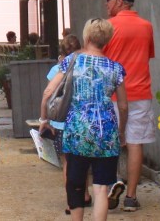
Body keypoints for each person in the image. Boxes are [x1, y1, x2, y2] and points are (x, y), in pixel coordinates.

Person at [39, 18, 127, 221]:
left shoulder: (72, 61)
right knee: (101, 188)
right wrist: (121, 131)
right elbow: (123, 106)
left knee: (76, 184)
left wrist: (44, 118)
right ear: (108, 40)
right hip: (106, 132)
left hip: (77, 131)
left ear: (87, 37)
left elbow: (48, 92)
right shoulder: (116, 68)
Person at [99, 0, 155, 213]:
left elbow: (101, 58)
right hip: (140, 91)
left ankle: (110, 185)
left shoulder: (108, 27)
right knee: (135, 143)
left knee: (109, 142)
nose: (106, 4)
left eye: (109, 0)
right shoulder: (146, 26)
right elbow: (147, 56)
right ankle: (131, 197)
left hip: (112, 93)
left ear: (120, 1)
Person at [41, 34, 90, 213]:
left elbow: (49, 94)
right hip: (80, 120)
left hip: (59, 123)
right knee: (83, 160)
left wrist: (44, 119)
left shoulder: (58, 68)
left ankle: (71, 201)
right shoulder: (86, 64)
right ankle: (85, 194)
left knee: (67, 164)